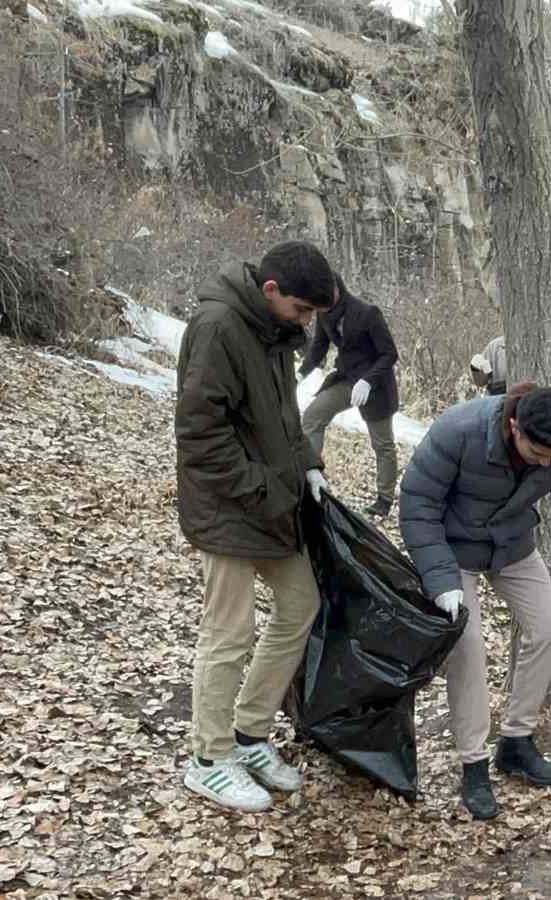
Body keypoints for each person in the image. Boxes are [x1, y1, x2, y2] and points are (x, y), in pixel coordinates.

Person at [399, 384, 551, 820]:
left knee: (550, 627)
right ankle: (474, 764)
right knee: (468, 648)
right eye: (537, 452)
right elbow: (418, 503)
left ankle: (516, 742)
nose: (545, 462)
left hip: (513, 544)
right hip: (452, 549)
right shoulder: (458, 430)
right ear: (515, 425)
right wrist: (441, 579)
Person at [174, 240, 337, 813]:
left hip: (270, 501)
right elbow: (199, 435)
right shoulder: (219, 326)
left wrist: (308, 467)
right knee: (229, 631)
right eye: (302, 310)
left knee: (300, 605)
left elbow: (285, 416)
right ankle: (209, 758)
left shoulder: (272, 331)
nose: (307, 322)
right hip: (227, 505)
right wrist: (266, 487)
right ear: (271, 291)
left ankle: (248, 734)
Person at [298, 273, 402, 517]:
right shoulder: (324, 313)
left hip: (375, 385)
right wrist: (300, 374)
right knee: (313, 416)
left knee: (383, 444)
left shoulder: (367, 313)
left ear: (338, 288)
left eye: (328, 290)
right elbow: (319, 348)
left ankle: (384, 499)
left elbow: (389, 354)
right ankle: (312, 481)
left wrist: (367, 381)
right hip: (346, 379)